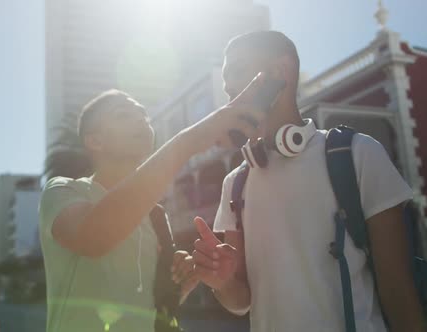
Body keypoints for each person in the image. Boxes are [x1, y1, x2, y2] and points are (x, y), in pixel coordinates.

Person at [172, 30, 426, 332]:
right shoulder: (235, 183)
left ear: (281, 71)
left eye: (238, 71)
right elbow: (240, 302)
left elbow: (398, 289)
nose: (229, 87)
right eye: (227, 85)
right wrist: (223, 282)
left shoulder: (359, 154)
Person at [38, 80, 268, 332]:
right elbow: (91, 238)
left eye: (143, 114)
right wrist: (186, 143)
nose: (140, 120)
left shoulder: (156, 216)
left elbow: (154, 310)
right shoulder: (63, 190)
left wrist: (181, 285)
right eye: (123, 115)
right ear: (95, 141)